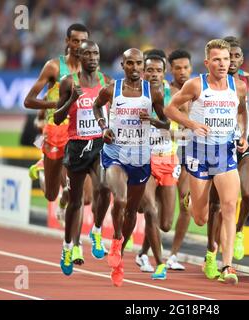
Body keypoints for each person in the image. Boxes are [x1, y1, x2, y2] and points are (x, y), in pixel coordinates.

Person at [165, 39, 248, 285]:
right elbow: (171, 109)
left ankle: (228, 265)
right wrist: (192, 124)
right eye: (217, 59)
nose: (223, 64)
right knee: (200, 218)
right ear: (207, 62)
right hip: (198, 154)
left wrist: (243, 135)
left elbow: (242, 111)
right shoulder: (195, 85)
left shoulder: (239, 86)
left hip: (224, 153)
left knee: (230, 206)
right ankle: (191, 200)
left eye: (226, 59)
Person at [93, 48, 169, 287]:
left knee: (132, 211)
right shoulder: (111, 89)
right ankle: (115, 240)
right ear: (123, 65)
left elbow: (166, 122)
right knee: (121, 199)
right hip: (114, 151)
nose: (135, 68)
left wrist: (154, 121)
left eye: (139, 63)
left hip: (140, 155)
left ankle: (120, 250)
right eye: (130, 63)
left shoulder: (153, 91)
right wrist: (104, 126)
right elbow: (97, 106)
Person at [24, 23, 92, 225]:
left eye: (83, 41)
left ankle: (66, 212)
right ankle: (43, 172)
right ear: (67, 42)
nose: (80, 45)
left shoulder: (90, 69)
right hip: (56, 130)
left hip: (80, 133)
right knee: (51, 194)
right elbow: (28, 100)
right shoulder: (54, 67)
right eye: (75, 41)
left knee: (84, 196)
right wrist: (58, 104)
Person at [54, 40, 112, 275]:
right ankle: (68, 246)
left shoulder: (106, 82)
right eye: (87, 54)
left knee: (105, 187)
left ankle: (97, 231)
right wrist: (71, 101)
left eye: (96, 53)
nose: (92, 58)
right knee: (76, 201)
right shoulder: (69, 82)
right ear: (79, 56)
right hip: (77, 147)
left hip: (99, 144)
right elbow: (57, 118)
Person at [205, 36, 249, 265]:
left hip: (243, 145)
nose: (233, 61)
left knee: (248, 194)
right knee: (215, 206)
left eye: (237, 56)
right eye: (230, 57)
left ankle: (238, 231)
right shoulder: (210, 83)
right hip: (216, 146)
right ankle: (211, 251)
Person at [135, 53, 180, 280]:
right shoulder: (135, 93)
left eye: (158, 71)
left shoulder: (175, 96)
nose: (153, 74)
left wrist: (159, 124)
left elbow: (181, 131)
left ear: (164, 73)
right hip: (144, 160)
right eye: (149, 70)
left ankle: (142, 252)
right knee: (149, 210)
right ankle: (159, 262)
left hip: (168, 160)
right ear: (143, 72)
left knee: (165, 224)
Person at [165, 49, 193, 271]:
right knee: (160, 210)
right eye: (178, 68)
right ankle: (147, 250)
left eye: (186, 67)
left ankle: (173, 255)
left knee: (186, 205)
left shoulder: (198, 89)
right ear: (170, 69)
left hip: (189, 154)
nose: (182, 72)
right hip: (165, 152)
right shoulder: (165, 91)